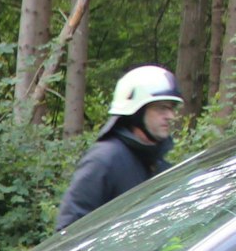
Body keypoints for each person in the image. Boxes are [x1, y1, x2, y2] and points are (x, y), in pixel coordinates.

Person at [55, 66, 183, 232]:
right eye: (161, 108)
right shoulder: (104, 160)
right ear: (136, 111)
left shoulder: (157, 164)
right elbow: (68, 232)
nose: (170, 116)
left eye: (171, 108)